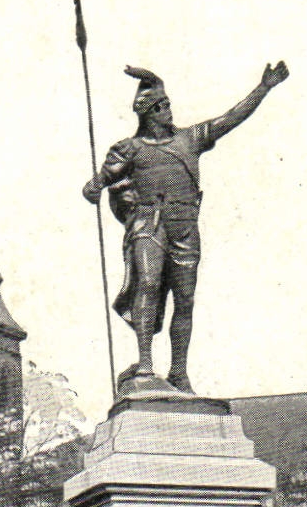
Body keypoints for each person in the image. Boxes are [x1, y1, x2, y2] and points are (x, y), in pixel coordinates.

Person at [82, 60, 288, 394]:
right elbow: (97, 182)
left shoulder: (190, 139)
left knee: (186, 299)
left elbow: (230, 118)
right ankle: (146, 363)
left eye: (168, 105)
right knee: (147, 283)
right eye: (161, 106)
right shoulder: (129, 149)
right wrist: (93, 187)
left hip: (185, 225)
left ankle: (179, 372)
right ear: (148, 112)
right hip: (149, 223)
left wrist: (264, 87)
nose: (168, 111)